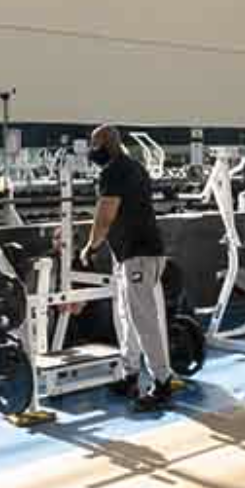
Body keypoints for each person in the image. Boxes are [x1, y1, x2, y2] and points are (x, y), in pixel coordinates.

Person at [78, 125, 175, 411]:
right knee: (126, 316)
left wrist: (90, 247)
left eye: (95, 145)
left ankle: (162, 381)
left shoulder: (114, 172)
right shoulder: (135, 167)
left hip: (139, 256)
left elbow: (105, 216)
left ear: (107, 144)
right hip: (132, 256)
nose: (92, 151)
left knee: (143, 320)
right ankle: (130, 373)